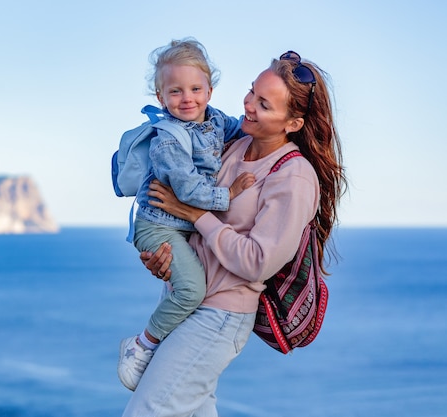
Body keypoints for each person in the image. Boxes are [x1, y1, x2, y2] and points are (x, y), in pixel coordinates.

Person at [121, 51, 347, 416]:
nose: (249, 106)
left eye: (264, 104)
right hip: (185, 301)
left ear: (293, 123)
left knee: (146, 411)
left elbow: (257, 261)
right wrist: (162, 259)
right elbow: (191, 230)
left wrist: (196, 215)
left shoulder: (294, 176)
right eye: (251, 92)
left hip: (220, 314)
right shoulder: (232, 145)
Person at [117, 38, 254, 392]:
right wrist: (230, 193)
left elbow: (244, 132)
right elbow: (189, 189)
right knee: (192, 290)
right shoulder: (167, 142)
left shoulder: (216, 121)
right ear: (160, 98)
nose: (187, 98)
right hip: (158, 225)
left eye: (195, 88)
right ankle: (142, 344)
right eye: (175, 91)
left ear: (210, 90)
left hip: (181, 225)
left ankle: (168, 350)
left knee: (187, 288)